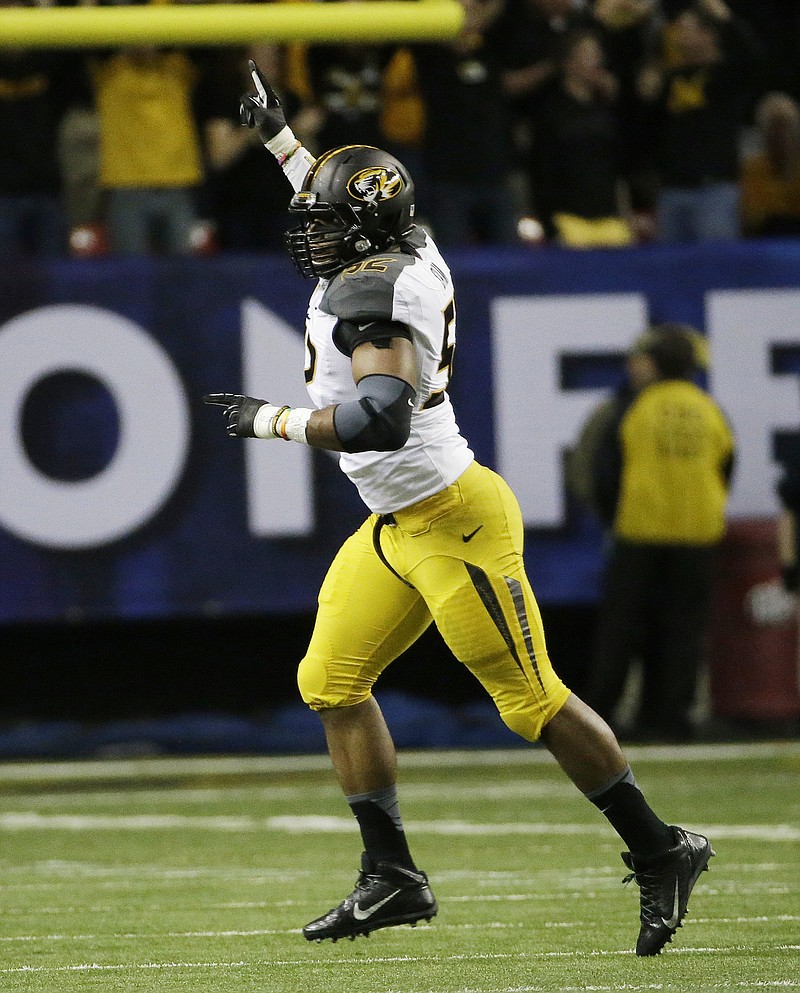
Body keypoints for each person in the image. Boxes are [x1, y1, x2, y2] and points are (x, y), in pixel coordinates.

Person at [204, 63, 715, 955]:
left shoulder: (370, 297)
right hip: (398, 527)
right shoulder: (403, 239)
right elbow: (347, 198)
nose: (310, 235)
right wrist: (284, 142)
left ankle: (662, 846)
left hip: (454, 517)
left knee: (531, 702)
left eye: (324, 224)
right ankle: (392, 874)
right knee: (329, 682)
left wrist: (271, 420)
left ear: (361, 232)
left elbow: (376, 416)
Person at [586, 324, 736, 741]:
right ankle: (673, 720)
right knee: (684, 632)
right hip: (698, 535)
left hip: (638, 532)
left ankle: (600, 720)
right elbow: (725, 467)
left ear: (651, 364)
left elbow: (603, 471)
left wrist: (611, 517)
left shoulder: (632, 407)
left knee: (621, 631)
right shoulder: (710, 409)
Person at [635, 0, 762, 243]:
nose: (678, 35)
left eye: (686, 28)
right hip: (672, 189)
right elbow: (651, 130)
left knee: (716, 269)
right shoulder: (671, 78)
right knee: (670, 272)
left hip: (713, 190)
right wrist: (646, 96)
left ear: (708, 34)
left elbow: (750, 54)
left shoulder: (727, 75)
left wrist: (727, 19)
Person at [740, 91, 800, 238]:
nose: (780, 135)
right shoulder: (752, 169)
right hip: (765, 243)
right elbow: (753, 218)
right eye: (774, 127)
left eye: (785, 127)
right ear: (764, 133)